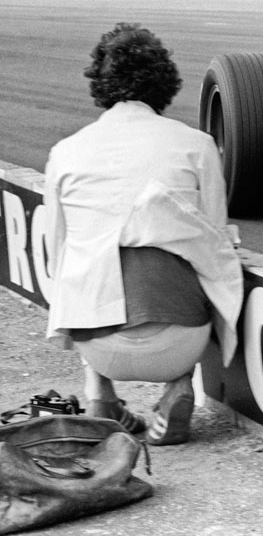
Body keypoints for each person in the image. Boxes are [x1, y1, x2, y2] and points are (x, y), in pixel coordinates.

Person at [44, 23, 243, 446]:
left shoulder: (64, 153)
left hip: (99, 345)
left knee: (84, 256)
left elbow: (55, 258)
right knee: (195, 251)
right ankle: (178, 386)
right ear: (164, 84)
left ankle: (100, 392)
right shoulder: (198, 144)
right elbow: (215, 241)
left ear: (98, 83)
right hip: (180, 343)